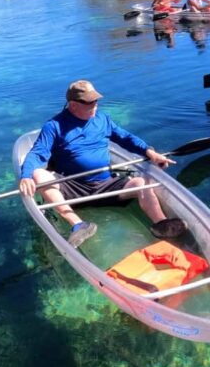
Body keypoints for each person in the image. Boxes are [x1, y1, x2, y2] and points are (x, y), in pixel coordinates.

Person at [18, 80, 186, 248]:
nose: (95, 104)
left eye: (96, 100)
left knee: (141, 183)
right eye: (90, 102)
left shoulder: (102, 119)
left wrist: (150, 153)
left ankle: (162, 224)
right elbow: (37, 153)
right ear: (73, 105)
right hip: (73, 187)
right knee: (38, 174)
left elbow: (126, 138)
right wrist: (25, 176)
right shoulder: (54, 126)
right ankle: (78, 225)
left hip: (106, 185)